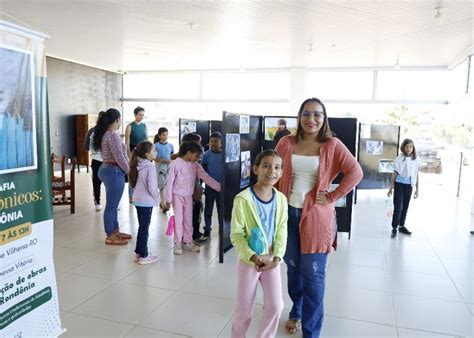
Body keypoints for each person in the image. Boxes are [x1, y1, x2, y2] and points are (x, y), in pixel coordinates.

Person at [275, 98, 363, 337]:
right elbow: (273, 169)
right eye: (306, 114)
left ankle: (311, 331)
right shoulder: (286, 142)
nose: (311, 119)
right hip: (286, 215)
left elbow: (356, 171)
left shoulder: (332, 144)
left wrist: (334, 195)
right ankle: (296, 312)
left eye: (317, 114)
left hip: (316, 218)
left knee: (313, 276)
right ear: (299, 117)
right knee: (293, 270)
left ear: (324, 118)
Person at [230, 149, 288, 338]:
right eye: (266, 166)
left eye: (277, 167)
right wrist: (252, 256)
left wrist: (277, 257)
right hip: (250, 262)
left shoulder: (281, 199)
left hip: (272, 261)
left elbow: (281, 230)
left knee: (276, 306)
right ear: (255, 169)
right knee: (244, 309)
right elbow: (237, 235)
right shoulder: (243, 200)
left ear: (281, 173)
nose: (272, 171)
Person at [164, 142, 221, 255]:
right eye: (196, 156)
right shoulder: (176, 164)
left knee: (188, 220)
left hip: (188, 197)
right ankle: (177, 243)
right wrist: (168, 199)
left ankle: (188, 242)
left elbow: (205, 177)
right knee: (179, 220)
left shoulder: (195, 165)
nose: (198, 158)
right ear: (189, 153)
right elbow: (169, 183)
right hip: (177, 196)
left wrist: (219, 187)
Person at [93, 108, 132, 245]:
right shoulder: (113, 135)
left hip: (108, 170)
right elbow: (119, 157)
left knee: (113, 204)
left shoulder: (106, 134)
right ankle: (110, 235)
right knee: (111, 205)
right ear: (117, 120)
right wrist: (129, 171)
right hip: (113, 171)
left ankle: (115, 230)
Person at [129, 141, 160, 265]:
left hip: (137, 200)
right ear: (147, 154)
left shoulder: (137, 164)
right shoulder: (150, 167)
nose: (155, 152)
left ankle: (138, 252)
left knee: (142, 226)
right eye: (154, 151)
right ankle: (143, 255)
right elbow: (152, 187)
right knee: (144, 228)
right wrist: (157, 199)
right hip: (146, 202)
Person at [388, 139, 421, 237]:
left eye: (411, 146)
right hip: (399, 185)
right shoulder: (399, 159)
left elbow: (416, 174)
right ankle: (394, 227)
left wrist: (417, 189)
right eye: (407, 147)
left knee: (405, 207)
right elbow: (394, 174)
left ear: (413, 148)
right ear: (403, 147)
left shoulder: (416, 159)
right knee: (398, 207)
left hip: (409, 186)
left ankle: (401, 226)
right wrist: (391, 188)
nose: (409, 149)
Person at [199, 132, 222, 241]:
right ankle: (207, 229)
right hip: (209, 187)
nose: (213, 143)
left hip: (222, 188)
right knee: (208, 209)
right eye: (212, 141)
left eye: (216, 141)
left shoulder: (225, 154)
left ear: (221, 142)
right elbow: (202, 170)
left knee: (221, 209)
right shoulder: (207, 154)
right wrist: (201, 184)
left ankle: (222, 229)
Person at [125, 106, 148, 202]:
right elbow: (126, 141)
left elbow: (146, 140)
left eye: (143, 115)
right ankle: (131, 196)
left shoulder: (144, 126)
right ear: (135, 115)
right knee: (133, 174)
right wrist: (129, 155)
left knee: (143, 174)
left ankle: (141, 194)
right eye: (140, 115)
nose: (141, 117)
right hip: (133, 152)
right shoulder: (130, 126)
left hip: (144, 153)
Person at [84, 110, 105, 211]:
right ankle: (110, 203)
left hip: (96, 160)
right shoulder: (109, 131)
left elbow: (86, 146)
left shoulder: (92, 130)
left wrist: (94, 151)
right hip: (105, 160)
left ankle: (97, 201)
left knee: (96, 181)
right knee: (108, 182)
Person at [153, 127, 174, 212]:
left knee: (167, 184)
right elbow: (153, 157)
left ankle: (167, 202)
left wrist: (170, 161)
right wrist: (160, 160)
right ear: (159, 136)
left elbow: (172, 156)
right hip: (159, 167)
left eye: (166, 134)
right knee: (161, 185)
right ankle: (162, 203)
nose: (165, 136)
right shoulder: (155, 145)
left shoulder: (170, 146)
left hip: (168, 167)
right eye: (163, 135)